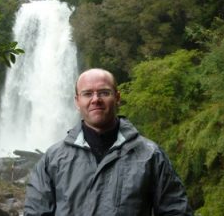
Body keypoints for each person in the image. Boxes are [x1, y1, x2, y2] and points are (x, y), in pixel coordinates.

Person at [24, 68, 193, 216]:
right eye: (87, 93)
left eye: (104, 92)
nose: (95, 99)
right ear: (77, 101)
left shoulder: (150, 155)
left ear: (117, 98)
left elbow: (176, 210)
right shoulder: (53, 159)